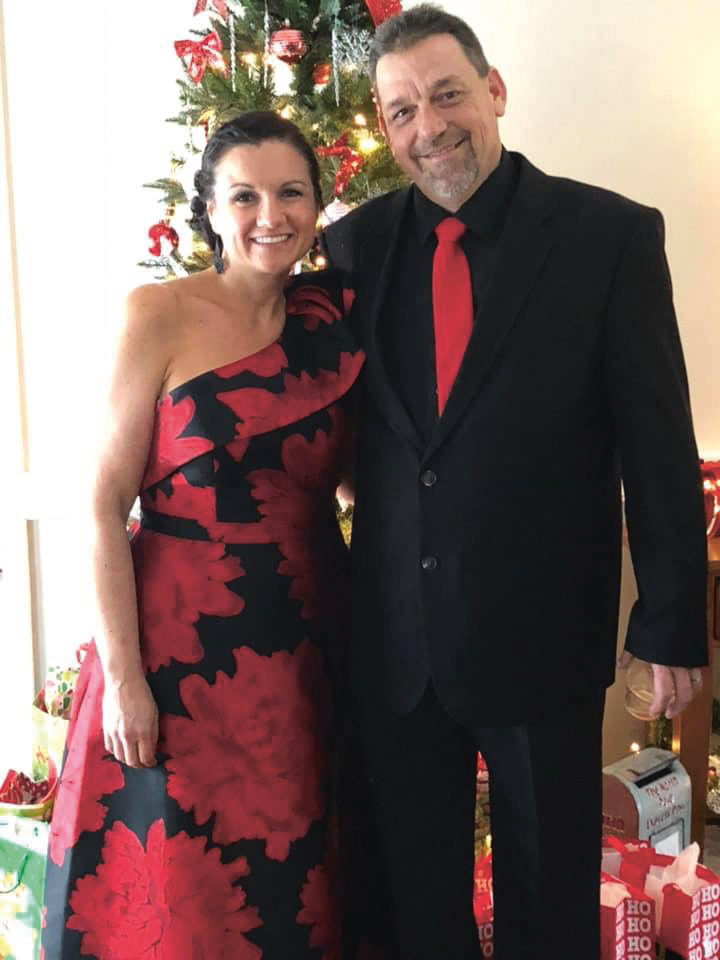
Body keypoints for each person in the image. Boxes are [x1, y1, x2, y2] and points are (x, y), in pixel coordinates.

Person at [322, 6, 708, 959]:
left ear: (494, 91)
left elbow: (657, 442)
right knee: (417, 898)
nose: (429, 126)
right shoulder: (354, 250)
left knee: (548, 896)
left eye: (447, 94)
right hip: (396, 644)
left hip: (540, 637)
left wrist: (667, 621)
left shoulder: (607, 236)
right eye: (401, 108)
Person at [42, 111, 363, 960]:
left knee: (291, 876)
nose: (272, 215)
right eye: (245, 195)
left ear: (318, 205)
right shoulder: (158, 313)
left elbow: (370, 484)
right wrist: (124, 681)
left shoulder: (334, 324)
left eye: (292, 192)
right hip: (177, 653)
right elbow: (101, 504)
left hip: (303, 650)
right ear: (211, 210)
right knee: (184, 887)